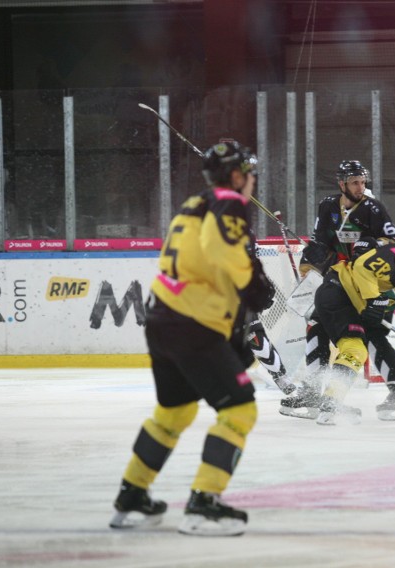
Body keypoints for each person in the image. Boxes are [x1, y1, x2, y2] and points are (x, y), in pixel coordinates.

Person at [109, 140, 274, 536]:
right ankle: (203, 504)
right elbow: (222, 255)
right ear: (236, 176)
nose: (252, 181)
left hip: (162, 319)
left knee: (174, 412)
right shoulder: (229, 203)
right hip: (193, 324)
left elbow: (198, 260)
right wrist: (253, 285)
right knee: (239, 411)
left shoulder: (193, 204)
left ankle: (132, 498)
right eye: (249, 173)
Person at [280, 159, 395, 419]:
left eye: (363, 182)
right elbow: (320, 241)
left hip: (362, 284)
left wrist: (372, 242)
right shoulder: (327, 206)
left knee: (368, 338)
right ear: (342, 184)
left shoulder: (373, 208)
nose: (361, 186)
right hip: (335, 281)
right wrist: (314, 252)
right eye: (355, 182)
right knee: (316, 326)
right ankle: (314, 391)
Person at [311, 230, 395, 425]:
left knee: (373, 341)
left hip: (360, 307)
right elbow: (363, 267)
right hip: (338, 291)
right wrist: (374, 300)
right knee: (355, 348)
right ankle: (327, 400)